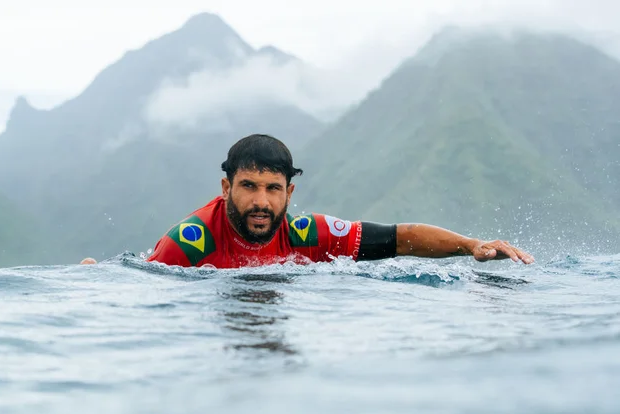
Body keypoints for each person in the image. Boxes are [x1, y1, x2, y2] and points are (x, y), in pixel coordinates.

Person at [81, 134, 534, 268]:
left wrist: (471, 244)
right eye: (249, 187)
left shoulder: (306, 234)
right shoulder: (189, 243)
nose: (261, 201)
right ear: (225, 189)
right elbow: (141, 296)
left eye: (272, 189)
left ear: (288, 193)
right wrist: (96, 285)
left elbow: (402, 238)